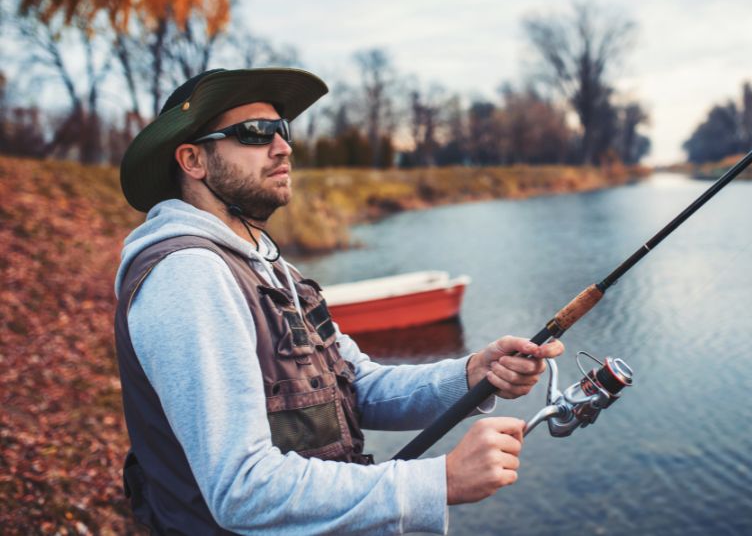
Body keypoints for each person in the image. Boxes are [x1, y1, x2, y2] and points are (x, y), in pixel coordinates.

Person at [113, 67, 563, 535]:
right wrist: (437, 480)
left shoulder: (267, 267)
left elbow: (355, 387)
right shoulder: (188, 274)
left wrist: (475, 376)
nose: (283, 147)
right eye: (254, 133)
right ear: (192, 160)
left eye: (282, 131)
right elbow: (242, 489)